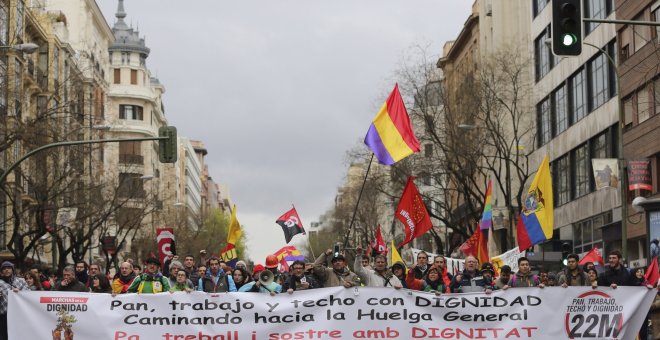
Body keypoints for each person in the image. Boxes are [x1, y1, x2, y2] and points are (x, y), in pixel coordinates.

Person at [0, 261, 29, 340]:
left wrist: (20, 293)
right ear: (2, 271)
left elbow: (29, 295)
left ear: (12, 270)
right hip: (3, 317)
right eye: (4, 268)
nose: (6, 270)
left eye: (9, 268)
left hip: (18, 315)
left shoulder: (21, 281)